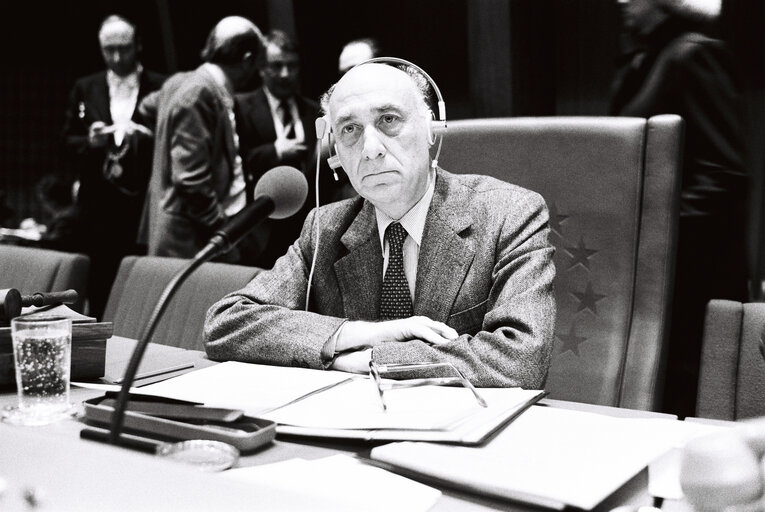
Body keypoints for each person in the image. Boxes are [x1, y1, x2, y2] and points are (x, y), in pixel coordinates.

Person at [205, 62, 556, 388]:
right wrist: (353, 336)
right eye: (350, 129)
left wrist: (373, 360)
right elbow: (226, 322)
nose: (370, 149)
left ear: (433, 130)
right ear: (335, 152)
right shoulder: (325, 227)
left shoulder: (509, 213)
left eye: (388, 120)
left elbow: (520, 358)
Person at [610, 0, 748, 417]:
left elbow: (724, 175)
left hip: (691, 269)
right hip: (658, 270)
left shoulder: (694, 53)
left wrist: (649, 234)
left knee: (689, 396)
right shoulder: (649, 57)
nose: (622, 2)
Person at [62, 15, 165, 318]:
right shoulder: (86, 86)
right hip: (98, 202)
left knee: (138, 277)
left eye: (124, 48)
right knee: (98, 279)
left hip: (141, 202)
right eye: (109, 50)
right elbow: (65, 141)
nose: (117, 57)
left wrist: (147, 138)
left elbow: (172, 142)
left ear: (138, 46)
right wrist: (89, 141)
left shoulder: (159, 84)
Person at [140, 16, 262, 260]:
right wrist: (224, 230)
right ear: (248, 59)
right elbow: (191, 181)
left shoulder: (180, 81)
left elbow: (146, 107)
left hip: (191, 234)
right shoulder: (201, 92)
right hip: (191, 240)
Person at [235, 30, 348, 268]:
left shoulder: (313, 110)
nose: (285, 74)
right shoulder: (241, 107)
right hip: (263, 232)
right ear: (261, 68)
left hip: (308, 231)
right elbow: (235, 163)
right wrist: (274, 151)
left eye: (291, 66)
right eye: (276, 66)